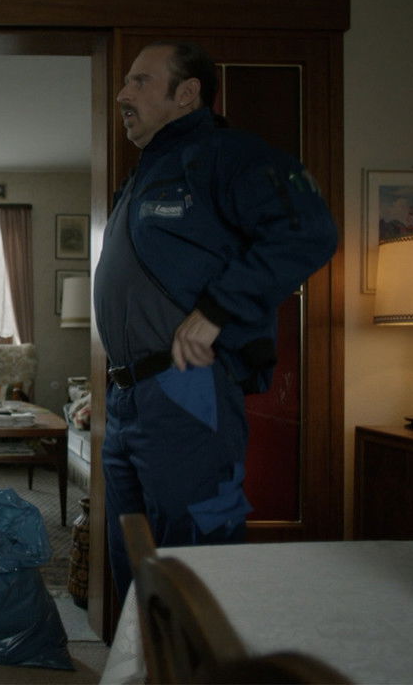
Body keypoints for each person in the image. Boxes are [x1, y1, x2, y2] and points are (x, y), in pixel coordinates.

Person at [94, 41, 338, 599]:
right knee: (133, 559)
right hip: (128, 398)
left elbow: (309, 231)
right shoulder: (142, 174)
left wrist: (216, 310)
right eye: (126, 82)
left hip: (186, 389)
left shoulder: (229, 155)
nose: (123, 94)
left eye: (140, 81)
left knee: (196, 562)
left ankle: (201, 654)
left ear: (187, 93)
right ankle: (143, 652)